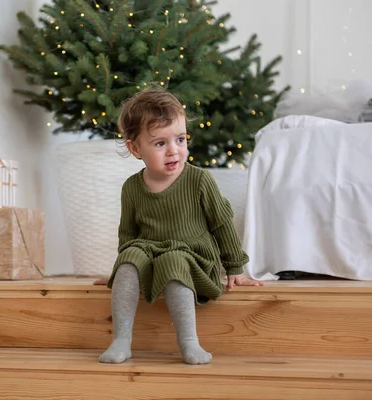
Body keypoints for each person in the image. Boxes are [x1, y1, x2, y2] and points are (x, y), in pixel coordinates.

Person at [96, 86, 262, 366]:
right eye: (160, 143)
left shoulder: (199, 181)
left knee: (174, 262)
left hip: (193, 255)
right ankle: (121, 340)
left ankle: (189, 342)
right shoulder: (131, 187)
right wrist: (120, 271)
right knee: (128, 262)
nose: (174, 150)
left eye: (181, 139)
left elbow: (221, 224)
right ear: (135, 148)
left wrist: (235, 268)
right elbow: (127, 234)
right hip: (149, 251)